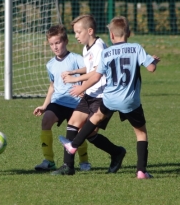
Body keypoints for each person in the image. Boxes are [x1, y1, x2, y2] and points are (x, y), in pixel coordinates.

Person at [59, 16, 160, 179]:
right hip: (129, 100)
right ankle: (141, 171)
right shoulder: (136, 48)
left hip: (110, 98)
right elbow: (151, 68)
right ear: (129, 33)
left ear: (111, 35)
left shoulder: (106, 52)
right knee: (141, 134)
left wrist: (81, 87)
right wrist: (153, 61)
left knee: (96, 117)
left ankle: (73, 145)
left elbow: (96, 77)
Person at [51, 14, 126, 176]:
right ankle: (67, 166)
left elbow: (97, 72)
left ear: (90, 31)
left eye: (79, 32)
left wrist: (78, 83)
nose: (76, 36)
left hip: (103, 96)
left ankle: (117, 152)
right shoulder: (87, 48)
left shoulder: (100, 47)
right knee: (73, 123)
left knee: (89, 133)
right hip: (91, 93)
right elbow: (89, 67)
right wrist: (75, 71)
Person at [33, 24, 91, 172]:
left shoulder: (76, 59)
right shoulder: (50, 64)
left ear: (65, 41)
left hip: (76, 102)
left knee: (79, 130)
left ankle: (84, 161)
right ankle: (48, 161)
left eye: (57, 42)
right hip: (59, 101)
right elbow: (52, 86)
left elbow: (90, 71)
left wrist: (83, 88)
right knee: (46, 120)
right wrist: (44, 105)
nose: (55, 47)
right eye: (52, 44)